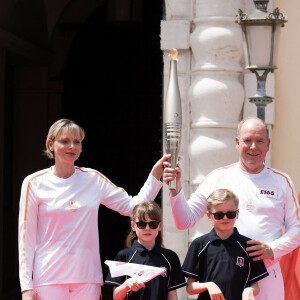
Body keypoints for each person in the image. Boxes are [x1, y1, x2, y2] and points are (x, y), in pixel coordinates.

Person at [18, 119, 169, 300]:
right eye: (65, 141)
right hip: (49, 277)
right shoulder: (33, 183)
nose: (72, 146)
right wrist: (26, 287)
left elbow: (132, 207)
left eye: (77, 142)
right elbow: (26, 238)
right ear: (51, 144)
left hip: (87, 278)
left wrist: (155, 175)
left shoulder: (93, 179)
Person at [163, 117, 300, 300]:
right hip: (226, 279)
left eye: (259, 141)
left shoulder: (282, 181)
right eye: (247, 140)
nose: (253, 147)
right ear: (237, 143)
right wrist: (176, 189)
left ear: (267, 144)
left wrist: (272, 249)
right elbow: (184, 220)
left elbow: (297, 229)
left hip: (267, 276)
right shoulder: (218, 177)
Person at [182, 189, 268, 300]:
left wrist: (249, 290)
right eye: (218, 215)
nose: (225, 218)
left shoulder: (249, 246)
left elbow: (255, 284)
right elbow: (190, 287)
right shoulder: (199, 244)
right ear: (209, 216)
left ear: (237, 214)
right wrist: (209, 285)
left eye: (230, 214)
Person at [105, 201, 186, 299]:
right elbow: (116, 297)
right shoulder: (123, 256)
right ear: (133, 226)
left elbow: (172, 295)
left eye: (153, 224)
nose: (147, 228)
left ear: (160, 226)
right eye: (142, 224)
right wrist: (126, 284)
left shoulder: (170, 257)